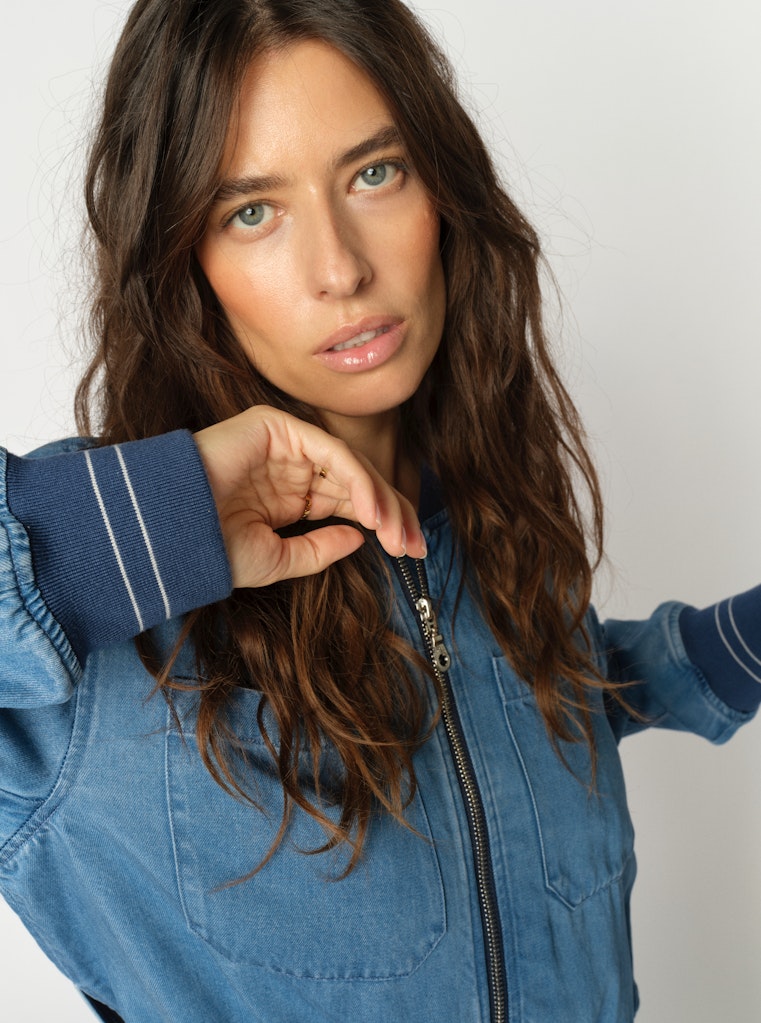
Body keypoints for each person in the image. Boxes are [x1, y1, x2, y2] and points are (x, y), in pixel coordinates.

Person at [0, 1, 758, 1020]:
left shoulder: (483, 527)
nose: (341, 268)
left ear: (443, 189)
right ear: (183, 265)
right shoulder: (94, 622)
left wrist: (714, 652)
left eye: (373, 173)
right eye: (250, 212)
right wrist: (171, 514)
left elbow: (509, 724)